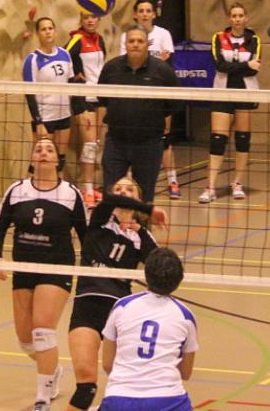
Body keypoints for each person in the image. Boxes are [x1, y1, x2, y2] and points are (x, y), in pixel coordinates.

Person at [0, 137, 87, 411]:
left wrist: (94, 271)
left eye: (49, 149)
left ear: (57, 159)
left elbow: (86, 235)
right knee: (25, 340)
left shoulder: (70, 194)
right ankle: (52, 369)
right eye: (38, 149)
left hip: (57, 268)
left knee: (43, 330)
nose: (43, 153)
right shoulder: (17, 190)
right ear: (32, 159)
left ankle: (42, 398)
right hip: (24, 269)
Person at [67, 176, 168, 411]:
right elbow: (109, 201)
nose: (122, 192)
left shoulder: (141, 237)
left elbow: (162, 271)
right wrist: (150, 209)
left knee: (125, 383)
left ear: (137, 198)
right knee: (86, 386)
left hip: (120, 314)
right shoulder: (99, 220)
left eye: (129, 189)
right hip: (87, 307)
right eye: (118, 188)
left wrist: (142, 230)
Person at [99, 247, 198, 411]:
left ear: (146, 275)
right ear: (179, 279)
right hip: (169, 401)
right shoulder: (186, 316)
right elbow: (185, 373)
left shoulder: (122, 306)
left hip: (119, 399)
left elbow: (108, 364)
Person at [98, 24, 179, 203]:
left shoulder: (162, 70)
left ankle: (142, 222)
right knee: (110, 195)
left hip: (149, 143)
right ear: (125, 44)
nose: (135, 44)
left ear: (147, 44)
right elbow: (102, 100)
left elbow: (173, 104)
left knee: (144, 197)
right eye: (131, 41)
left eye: (140, 41)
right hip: (116, 142)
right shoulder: (111, 68)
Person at [199, 2, 261, 203]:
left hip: (245, 93)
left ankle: (237, 183)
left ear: (246, 18)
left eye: (240, 15)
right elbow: (219, 65)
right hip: (222, 93)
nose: (237, 19)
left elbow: (255, 68)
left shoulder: (254, 40)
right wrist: (245, 64)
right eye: (234, 15)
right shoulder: (218, 38)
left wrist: (238, 66)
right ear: (229, 18)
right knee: (218, 140)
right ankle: (210, 187)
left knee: (242, 139)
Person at [120, 0, 181, 200]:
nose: (145, 14)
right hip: (135, 96)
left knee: (165, 137)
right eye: (141, 11)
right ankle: (130, 181)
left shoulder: (163, 34)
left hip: (159, 94)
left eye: (148, 10)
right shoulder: (127, 36)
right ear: (135, 14)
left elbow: (166, 64)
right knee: (132, 136)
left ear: (154, 14)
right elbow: (127, 62)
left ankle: (172, 180)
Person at [23, 17, 75, 174]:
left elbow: (72, 84)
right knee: (38, 161)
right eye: (43, 29)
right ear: (37, 34)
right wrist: (38, 121)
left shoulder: (65, 54)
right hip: (45, 118)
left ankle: (56, 188)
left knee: (60, 160)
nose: (48, 32)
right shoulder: (32, 59)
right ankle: (29, 187)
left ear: (55, 31)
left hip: (64, 115)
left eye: (50, 28)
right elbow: (29, 93)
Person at [66, 13, 107, 209]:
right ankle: (88, 190)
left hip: (100, 98)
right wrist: (74, 75)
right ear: (81, 20)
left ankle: (88, 186)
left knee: (94, 144)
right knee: (89, 144)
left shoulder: (100, 39)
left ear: (99, 19)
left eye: (94, 17)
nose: (90, 20)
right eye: (86, 17)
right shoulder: (77, 39)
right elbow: (64, 57)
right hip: (83, 98)